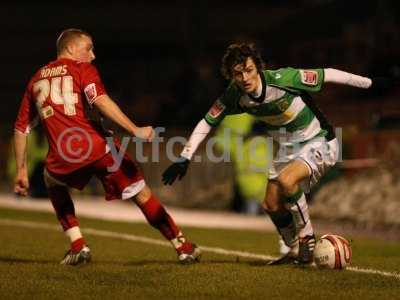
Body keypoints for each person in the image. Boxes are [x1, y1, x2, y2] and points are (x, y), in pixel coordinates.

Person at [162, 42, 387, 264]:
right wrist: (185, 156)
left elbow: (327, 74)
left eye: (249, 70)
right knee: (270, 204)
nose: (245, 78)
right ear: (231, 76)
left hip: (318, 140)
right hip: (288, 148)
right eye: (238, 74)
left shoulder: (283, 79)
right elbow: (207, 121)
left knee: (287, 180)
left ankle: (307, 236)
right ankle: (294, 250)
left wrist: (369, 83)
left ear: (258, 67)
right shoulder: (234, 95)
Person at [14, 28, 201, 265]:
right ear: (71, 49)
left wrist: (21, 170)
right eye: (89, 48)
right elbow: (100, 100)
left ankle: (78, 245)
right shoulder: (82, 69)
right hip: (98, 149)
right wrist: (135, 129)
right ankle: (183, 247)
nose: (93, 55)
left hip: (63, 155)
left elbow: (21, 128)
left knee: (52, 181)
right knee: (141, 193)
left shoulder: (36, 78)